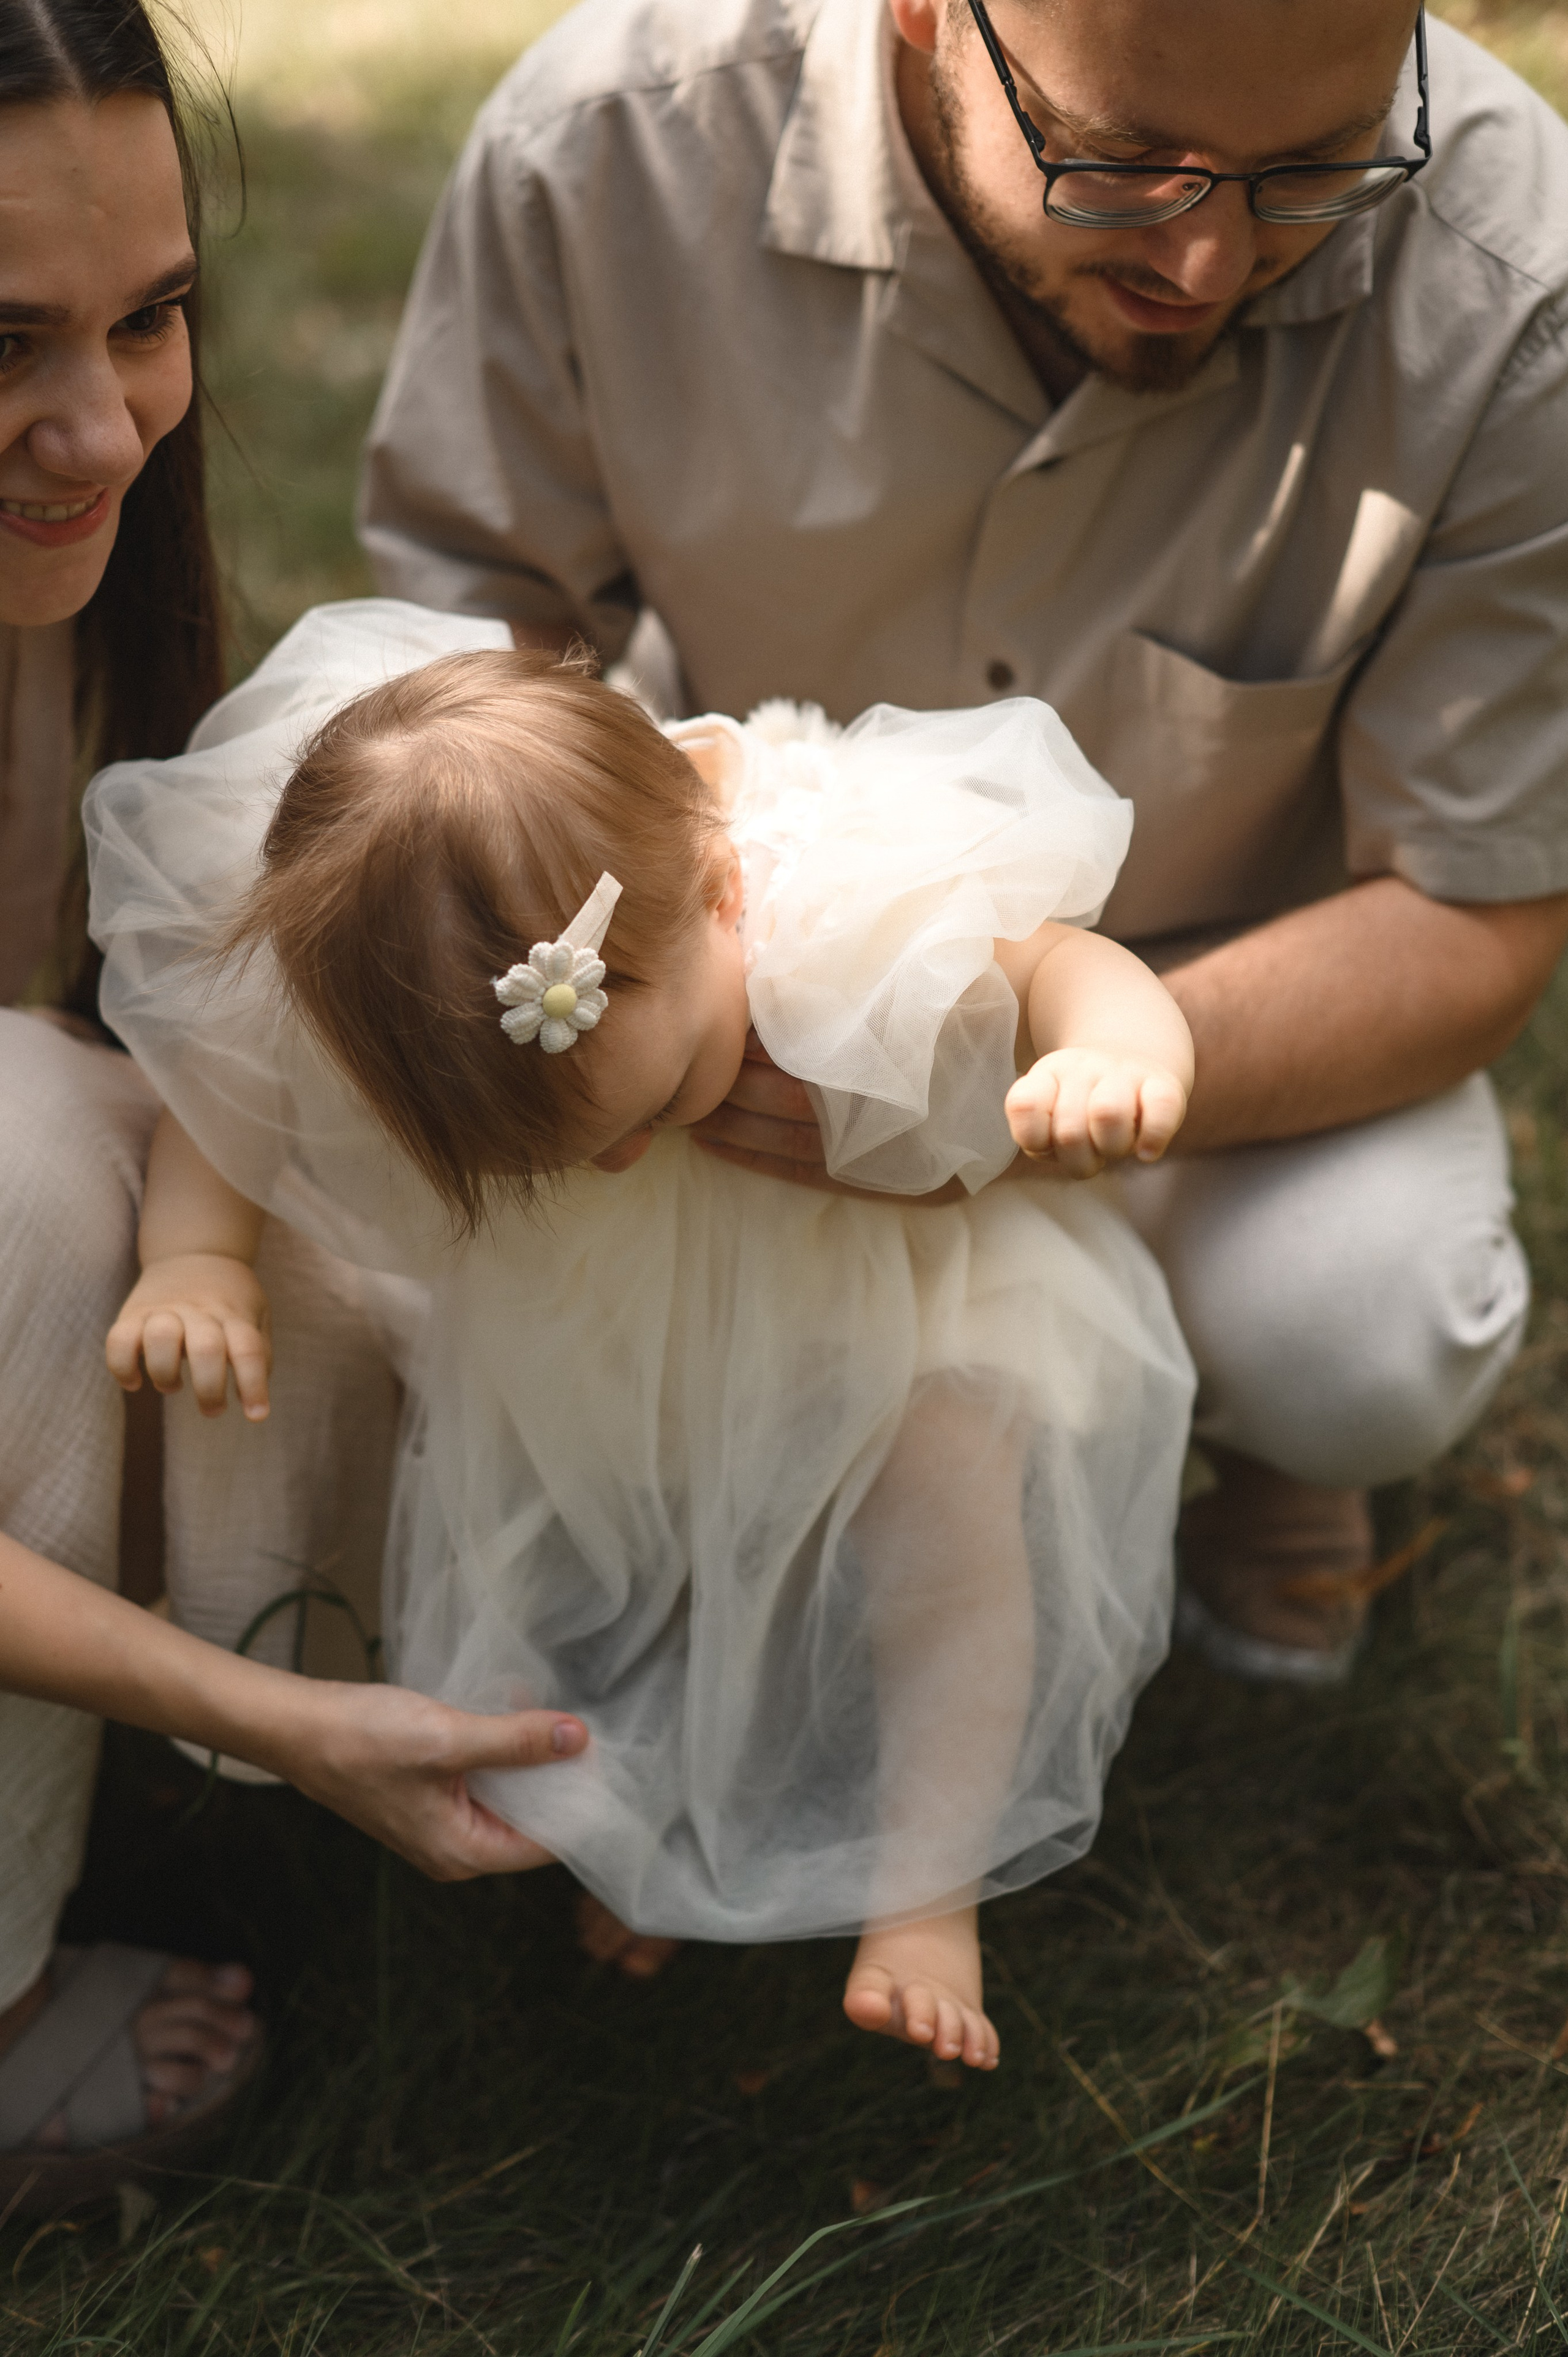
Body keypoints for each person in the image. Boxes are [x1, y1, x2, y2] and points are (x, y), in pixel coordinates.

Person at [358, 0, 1568, 1684]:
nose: (1211, 260)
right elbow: (444, 685)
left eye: (1311, 174)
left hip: (1225, 1029)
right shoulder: (600, 155)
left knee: (1363, 1327)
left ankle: (1248, 1444)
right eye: (1128, 164)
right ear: (928, 16)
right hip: (748, 1008)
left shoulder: (1521, 283)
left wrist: (1003, 1081)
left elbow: (1472, 919)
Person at [86, 599, 1197, 2069]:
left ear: (725, 892)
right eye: (562, 1155)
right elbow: (232, 1094)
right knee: (637, 1558)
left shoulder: (830, 879)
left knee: (945, 1537)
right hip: (613, 1339)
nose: (620, 1167)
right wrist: (195, 1259)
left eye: (654, 1109)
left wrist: (1114, 1050)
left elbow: (1064, 959)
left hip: (896, 1308)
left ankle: (928, 1893)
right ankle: (679, 1820)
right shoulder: (411, 959)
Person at [0, 0, 585, 2215]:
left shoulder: (87, 583)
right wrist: (282, 1720)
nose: (101, 426)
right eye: (2, 341)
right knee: (25, 1164)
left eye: (148, 318)